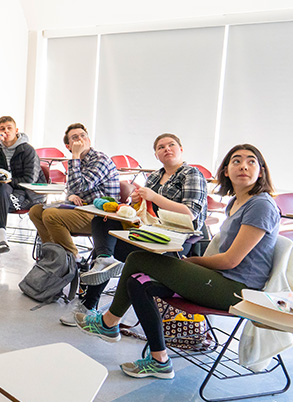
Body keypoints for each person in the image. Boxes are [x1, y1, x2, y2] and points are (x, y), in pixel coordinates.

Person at [75, 144, 280, 380]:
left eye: (251, 161)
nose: (243, 165)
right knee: (136, 282)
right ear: (225, 171)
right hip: (222, 281)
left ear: (261, 171)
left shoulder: (261, 205)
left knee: (137, 258)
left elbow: (231, 260)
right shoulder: (236, 202)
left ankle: (109, 322)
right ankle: (159, 360)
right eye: (236, 161)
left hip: (238, 290)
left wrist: (193, 262)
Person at [60, 133, 207, 326]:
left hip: (174, 244)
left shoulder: (191, 174)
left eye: (171, 145)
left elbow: (191, 214)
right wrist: (135, 202)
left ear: (181, 149)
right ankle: (104, 263)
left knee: (108, 248)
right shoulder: (155, 176)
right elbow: (143, 213)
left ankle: (90, 304)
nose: (166, 149)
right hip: (148, 234)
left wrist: (154, 197)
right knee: (103, 224)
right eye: (161, 147)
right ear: (156, 155)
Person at [28, 123, 119, 259]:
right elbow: (71, 188)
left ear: (88, 140)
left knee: (50, 215)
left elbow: (80, 187)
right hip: (81, 209)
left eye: (83, 136)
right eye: (75, 137)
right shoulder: (78, 161)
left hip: (100, 216)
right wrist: (70, 196)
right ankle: (54, 255)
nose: (80, 139)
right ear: (68, 146)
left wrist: (75, 155)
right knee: (35, 211)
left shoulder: (100, 159)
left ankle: (73, 259)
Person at [0, 116, 46, 269]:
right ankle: (1, 235)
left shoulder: (27, 150)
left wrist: (6, 180)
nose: (5, 131)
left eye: (9, 128)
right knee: (0, 191)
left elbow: (29, 180)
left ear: (16, 131)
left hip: (29, 195)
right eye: (2, 128)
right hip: (7, 192)